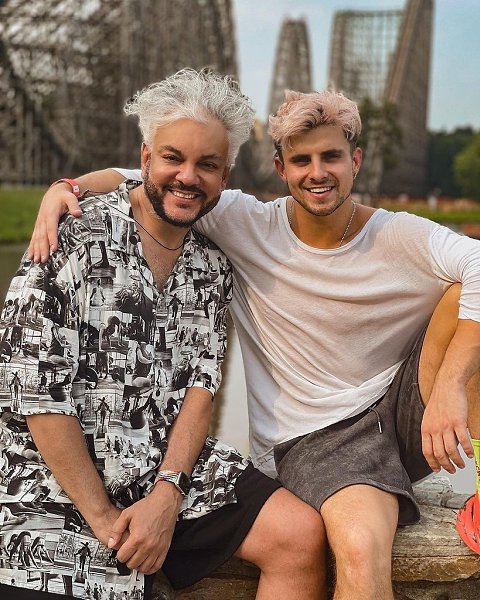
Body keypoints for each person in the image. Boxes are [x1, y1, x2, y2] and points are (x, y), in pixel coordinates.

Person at [29, 88, 480, 598]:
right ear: (280, 168)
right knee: (361, 546)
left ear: (354, 161)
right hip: (324, 437)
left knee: (466, 295)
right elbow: (146, 177)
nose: (318, 173)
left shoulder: (397, 233)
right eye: (302, 160)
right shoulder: (244, 221)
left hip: (402, 411)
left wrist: (450, 386)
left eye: (331, 157)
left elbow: (478, 263)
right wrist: (67, 187)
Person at [0, 71, 325, 600]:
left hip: (161, 466)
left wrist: (168, 495)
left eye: (208, 165)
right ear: (146, 158)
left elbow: (201, 387)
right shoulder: (72, 236)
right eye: (173, 158)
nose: (188, 177)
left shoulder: (211, 265)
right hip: (56, 481)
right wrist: (106, 520)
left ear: (225, 176)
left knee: (299, 534)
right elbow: (36, 395)